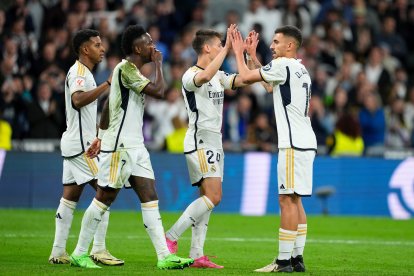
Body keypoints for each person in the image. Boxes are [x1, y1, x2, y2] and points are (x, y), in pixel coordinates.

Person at [69, 25, 194, 269]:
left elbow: (107, 105)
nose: (154, 47)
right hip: (120, 148)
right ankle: (79, 252)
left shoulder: (128, 72)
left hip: (135, 146)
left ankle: (164, 257)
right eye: (149, 42)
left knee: (150, 196)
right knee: (104, 198)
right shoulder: (125, 69)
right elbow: (159, 91)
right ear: (137, 48)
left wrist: (98, 136)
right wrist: (159, 64)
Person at [165, 24, 254, 269]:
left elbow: (243, 80)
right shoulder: (190, 75)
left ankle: (196, 254)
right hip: (200, 140)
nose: (220, 48)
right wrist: (227, 50)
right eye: (218, 44)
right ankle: (170, 237)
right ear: (207, 48)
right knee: (214, 196)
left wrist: (244, 54)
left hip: (215, 140)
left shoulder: (219, 75)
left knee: (207, 198)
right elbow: (203, 77)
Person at [231, 25, 317, 272]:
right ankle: (297, 258)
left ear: (290, 45)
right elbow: (270, 86)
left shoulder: (282, 66)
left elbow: (246, 78)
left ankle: (282, 261)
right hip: (306, 141)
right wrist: (252, 57)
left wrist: (238, 53)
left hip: (292, 144)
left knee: (286, 199)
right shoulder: (300, 69)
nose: (272, 46)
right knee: (296, 199)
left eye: (277, 42)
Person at [49, 29, 123, 266]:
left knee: (69, 199)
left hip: (76, 143)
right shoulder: (80, 73)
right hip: (81, 146)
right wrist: (107, 85)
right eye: (97, 45)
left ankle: (58, 252)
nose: (102, 49)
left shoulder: (83, 72)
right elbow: (77, 100)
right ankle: (97, 249)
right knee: (106, 191)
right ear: (85, 49)